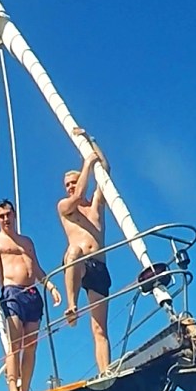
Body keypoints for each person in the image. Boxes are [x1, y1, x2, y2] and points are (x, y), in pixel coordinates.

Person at [0, 200, 61, 391]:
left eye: (8, 214)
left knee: (31, 345)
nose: (5, 219)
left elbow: (36, 268)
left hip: (32, 293)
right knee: (15, 343)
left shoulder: (26, 242)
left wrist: (51, 287)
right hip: (12, 292)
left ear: (14, 214)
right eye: (1, 216)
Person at [58, 129, 112, 372]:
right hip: (78, 265)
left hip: (98, 266)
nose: (71, 187)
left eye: (73, 182)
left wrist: (91, 142)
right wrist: (86, 162)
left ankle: (106, 370)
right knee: (73, 251)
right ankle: (72, 304)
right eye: (68, 184)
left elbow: (106, 171)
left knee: (99, 328)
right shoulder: (65, 207)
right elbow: (79, 193)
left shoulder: (95, 207)